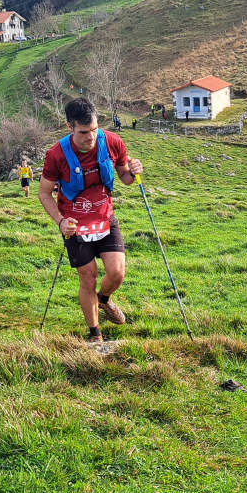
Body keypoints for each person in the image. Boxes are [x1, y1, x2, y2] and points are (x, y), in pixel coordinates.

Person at [37, 97, 143, 343]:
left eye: (94, 130)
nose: (91, 137)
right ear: (70, 127)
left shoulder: (113, 142)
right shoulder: (56, 155)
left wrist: (135, 171)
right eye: (84, 132)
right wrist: (61, 222)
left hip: (105, 218)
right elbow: (44, 193)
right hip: (75, 226)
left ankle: (104, 299)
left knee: (117, 273)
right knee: (88, 276)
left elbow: (125, 177)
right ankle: (95, 334)